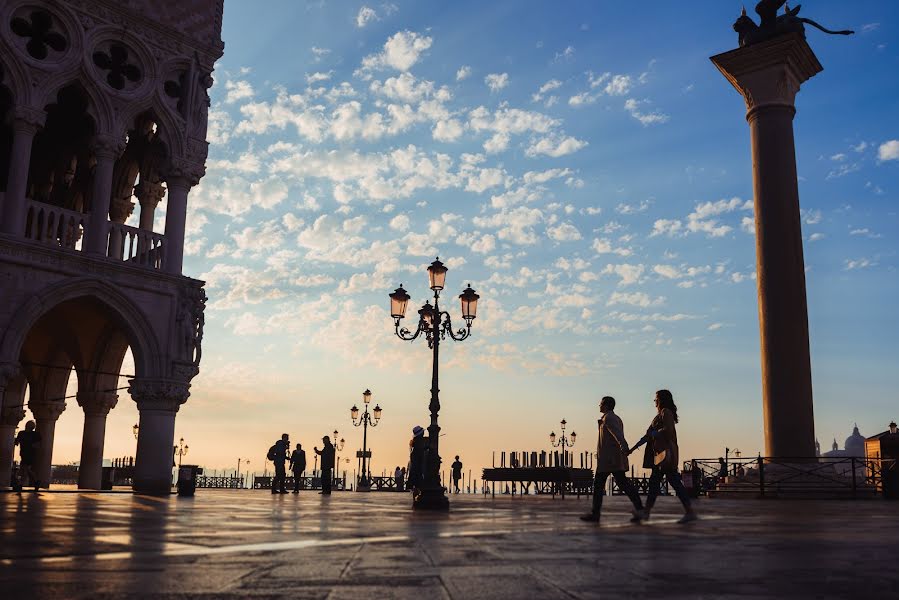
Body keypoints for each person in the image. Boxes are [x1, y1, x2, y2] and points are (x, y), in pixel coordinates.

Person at [631, 389, 697, 524]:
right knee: (655, 483)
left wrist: (655, 434)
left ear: (661, 400)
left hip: (664, 455)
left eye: (656, 399)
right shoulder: (659, 415)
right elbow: (648, 435)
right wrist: (633, 448)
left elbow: (668, 430)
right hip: (659, 456)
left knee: (671, 484)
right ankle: (647, 512)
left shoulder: (666, 412)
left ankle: (689, 512)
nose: (654, 401)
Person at [580, 396, 645, 523]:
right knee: (623, 484)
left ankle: (595, 514)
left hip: (609, 460)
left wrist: (625, 448)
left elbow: (618, 435)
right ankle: (639, 508)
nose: (598, 405)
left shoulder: (609, 418)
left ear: (606, 405)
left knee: (599, 485)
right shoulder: (612, 418)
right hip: (611, 459)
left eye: (600, 404)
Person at [13, 421, 41, 492]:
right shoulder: (34, 434)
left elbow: (16, 442)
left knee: (25, 469)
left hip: (29, 454)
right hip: (25, 454)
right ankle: (36, 481)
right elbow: (16, 442)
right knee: (27, 469)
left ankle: (20, 485)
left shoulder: (22, 433)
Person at [407, 426, 427, 494]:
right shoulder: (419, 441)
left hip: (415, 458)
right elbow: (421, 449)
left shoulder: (415, 441)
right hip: (417, 459)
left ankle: (415, 492)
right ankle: (417, 492)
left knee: (415, 475)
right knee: (417, 475)